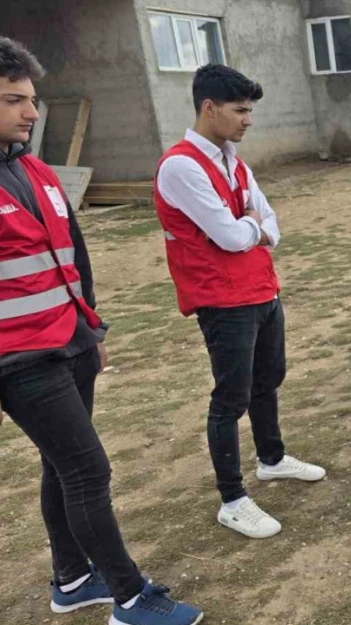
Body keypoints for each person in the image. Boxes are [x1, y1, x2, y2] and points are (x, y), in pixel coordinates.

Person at [0, 37, 202, 625]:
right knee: (87, 470)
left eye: (31, 100)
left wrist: (92, 329)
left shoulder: (34, 169)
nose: (32, 113)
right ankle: (131, 598)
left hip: (70, 343)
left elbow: (74, 256)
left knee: (60, 465)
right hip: (19, 360)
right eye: (15, 100)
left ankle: (71, 580)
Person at [154, 64, 325, 540]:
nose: (248, 120)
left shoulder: (234, 160)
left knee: (268, 380)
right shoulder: (182, 165)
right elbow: (232, 236)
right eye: (240, 110)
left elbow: (273, 224)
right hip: (222, 299)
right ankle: (232, 498)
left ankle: (271, 459)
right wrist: (252, 226)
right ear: (209, 108)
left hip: (261, 288)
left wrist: (253, 226)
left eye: (250, 110)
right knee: (229, 398)